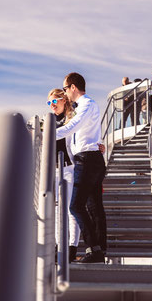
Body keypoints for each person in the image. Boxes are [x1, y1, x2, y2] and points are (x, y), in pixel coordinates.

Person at [57, 72, 107, 263]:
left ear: (73, 87)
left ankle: (95, 248)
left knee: (76, 206)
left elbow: (72, 128)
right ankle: (99, 250)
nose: (64, 93)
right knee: (93, 206)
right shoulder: (82, 107)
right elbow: (85, 133)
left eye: (65, 89)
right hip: (89, 158)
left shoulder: (88, 104)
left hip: (87, 160)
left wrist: (46, 133)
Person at [47, 89, 81, 263]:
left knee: (70, 210)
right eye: (49, 103)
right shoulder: (49, 121)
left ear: (63, 100)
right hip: (54, 170)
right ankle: (57, 247)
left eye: (55, 102)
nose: (52, 106)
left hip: (69, 168)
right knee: (56, 209)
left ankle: (71, 248)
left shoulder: (72, 117)